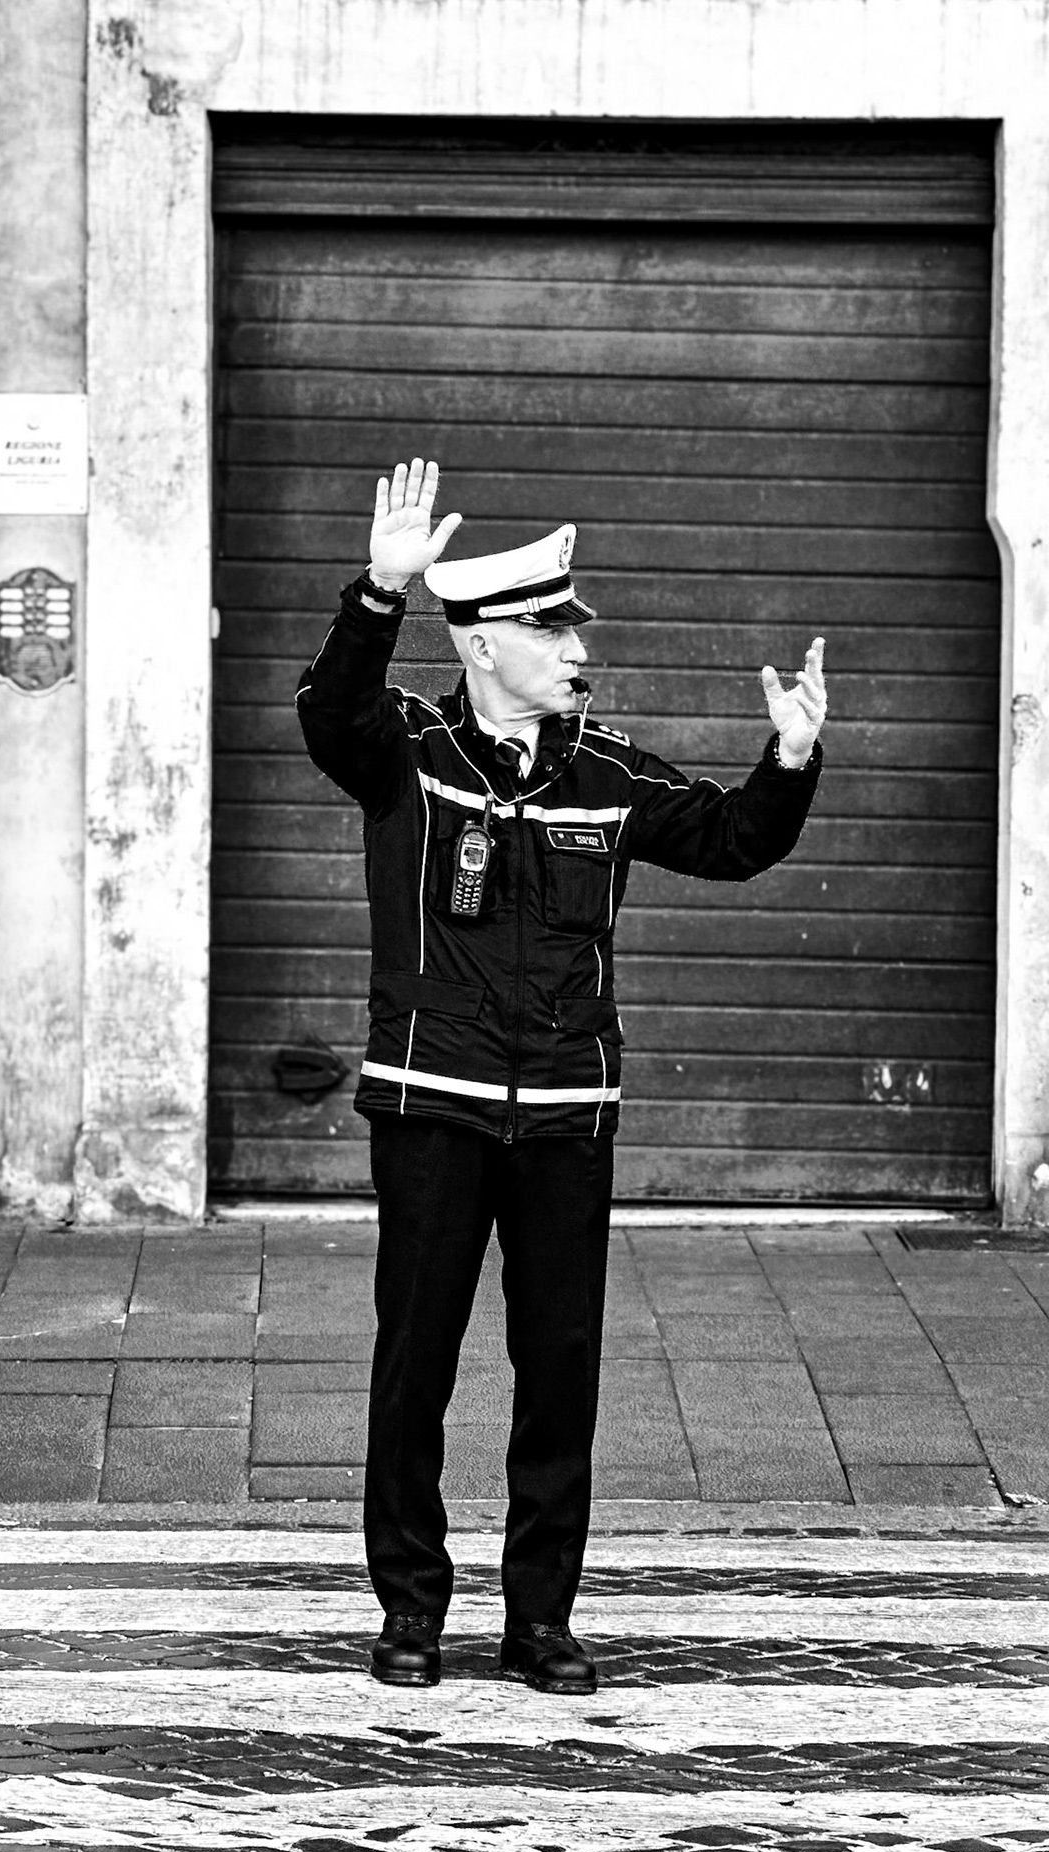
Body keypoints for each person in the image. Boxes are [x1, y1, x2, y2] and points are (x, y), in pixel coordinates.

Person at [296, 459, 827, 1693]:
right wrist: (381, 591)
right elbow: (330, 709)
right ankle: (412, 1614)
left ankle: (541, 1620)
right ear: (484, 646)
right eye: (553, 626)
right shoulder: (409, 755)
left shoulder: (608, 774)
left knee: (561, 1372)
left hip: (569, 1119)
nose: (578, 646)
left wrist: (788, 762)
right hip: (434, 1104)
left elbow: (731, 841)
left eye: (575, 624)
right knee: (412, 1364)